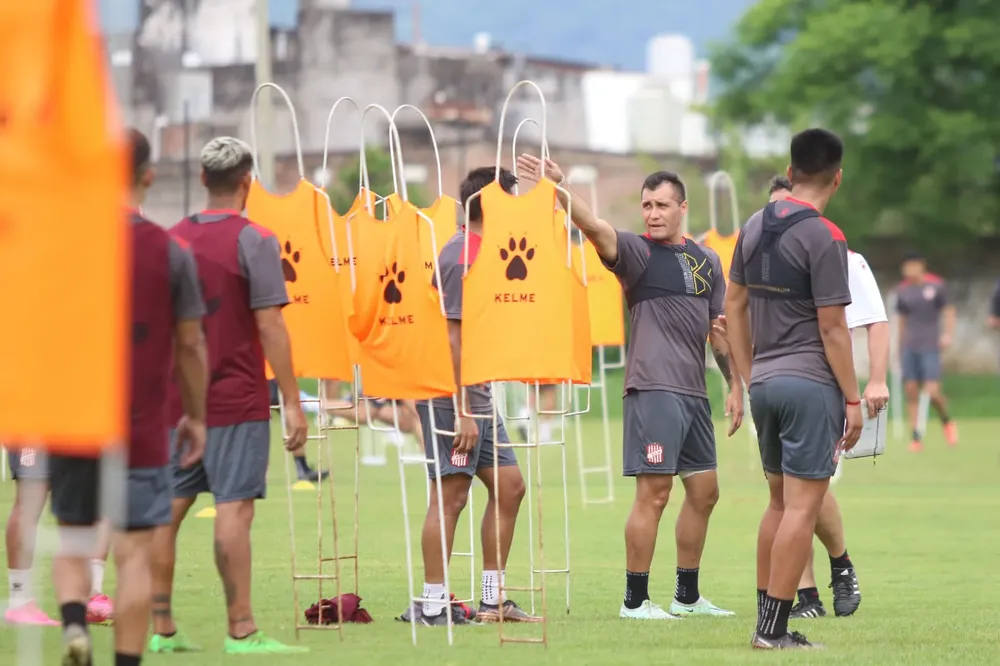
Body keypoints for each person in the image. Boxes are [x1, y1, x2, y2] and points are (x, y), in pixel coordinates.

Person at [517, 155, 743, 620]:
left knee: (705, 493)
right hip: (652, 390)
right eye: (646, 205)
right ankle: (635, 602)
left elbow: (718, 333)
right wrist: (559, 188)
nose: (653, 213)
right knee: (654, 494)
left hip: (695, 395)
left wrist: (734, 385)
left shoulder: (707, 262)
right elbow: (594, 225)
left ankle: (687, 596)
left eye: (662, 205)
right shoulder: (636, 254)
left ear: (682, 208)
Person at [47, 127, 210, 666]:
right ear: (148, 175)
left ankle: (74, 624)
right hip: (141, 421)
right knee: (134, 551)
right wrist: (196, 417)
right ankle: (126, 660)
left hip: (73, 415)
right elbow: (191, 347)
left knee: (72, 536)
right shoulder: (172, 253)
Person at [149, 136, 310, 655]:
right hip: (235, 399)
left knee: (167, 513)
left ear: (201, 180)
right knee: (234, 512)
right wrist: (292, 401)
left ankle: (161, 627)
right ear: (248, 183)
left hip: (175, 403)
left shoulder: (170, 239)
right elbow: (271, 326)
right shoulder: (256, 240)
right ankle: (241, 628)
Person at [726, 128, 863, 650]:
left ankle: (767, 623)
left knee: (778, 505)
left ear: (790, 172)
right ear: (837, 176)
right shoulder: (826, 236)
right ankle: (773, 632)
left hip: (766, 385)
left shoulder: (754, 225)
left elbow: (733, 305)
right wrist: (853, 399)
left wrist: (748, 371)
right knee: (803, 508)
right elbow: (832, 329)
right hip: (810, 387)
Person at [400, 166, 536, 626]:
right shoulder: (461, 256)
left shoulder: (487, 252)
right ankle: (433, 605)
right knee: (450, 496)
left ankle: (492, 600)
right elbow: (452, 340)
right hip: (451, 394)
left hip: (477, 390)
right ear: (492, 203)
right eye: (512, 200)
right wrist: (462, 411)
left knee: (510, 487)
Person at [766, 176, 889, 619]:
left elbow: (874, 320)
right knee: (783, 495)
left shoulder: (841, 257)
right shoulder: (761, 261)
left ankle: (838, 564)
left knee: (804, 494)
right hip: (772, 390)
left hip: (823, 390)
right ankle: (809, 598)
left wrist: (875, 380)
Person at [5, 450, 117, 627]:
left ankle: (92, 595)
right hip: (32, 428)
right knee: (31, 497)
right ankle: (19, 600)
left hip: (72, 429)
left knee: (90, 497)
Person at [896, 253, 958, 451]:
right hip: (910, 346)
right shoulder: (903, 291)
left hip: (930, 345)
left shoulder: (936, 286)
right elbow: (902, 321)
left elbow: (949, 311)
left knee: (932, 392)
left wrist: (947, 335)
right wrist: (899, 346)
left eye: (912, 266)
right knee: (911, 390)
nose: (909, 270)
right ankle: (916, 437)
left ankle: (947, 421)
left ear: (921, 266)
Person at [267, 378, 327, 482]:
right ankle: (257, 474)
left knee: (292, 420)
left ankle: (302, 468)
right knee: (258, 428)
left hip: (271, 381)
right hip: (256, 383)